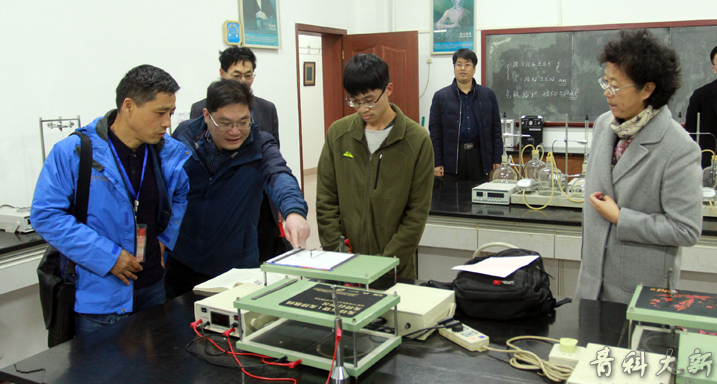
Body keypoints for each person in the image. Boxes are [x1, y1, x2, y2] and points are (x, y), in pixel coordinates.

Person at [30, 65, 190, 336]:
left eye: (171, 114)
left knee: (159, 363)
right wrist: (109, 257)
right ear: (128, 106)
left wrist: (164, 240)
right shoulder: (76, 152)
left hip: (153, 286)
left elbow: (180, 194)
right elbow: (46, 215)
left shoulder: (166, 152)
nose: (167, 123)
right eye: (160, 112)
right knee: (103, 364)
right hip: (101, 296)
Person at [575, 29, 703, 304]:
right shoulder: (604, 124)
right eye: (605, 82)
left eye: (616, 86)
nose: (607, 93)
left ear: (647, 89)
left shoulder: (678, 147)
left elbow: (686, 229)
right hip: (591, 285)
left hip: (639, 292)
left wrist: (621, 218)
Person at [165, 79, 309, 298]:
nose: (235, 131)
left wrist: (294, 212)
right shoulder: (185, 136)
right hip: (181, 261)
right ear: (207, 115)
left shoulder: (260, 145)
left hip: (235, 268)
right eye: (225, 123)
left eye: (243, 122)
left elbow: (279, 175)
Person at [316, 53, 435, 279]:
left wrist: (384, 265)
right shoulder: (338, 134)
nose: (363, 109)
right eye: (355, 101)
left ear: (388, 89)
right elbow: (326, 200)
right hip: (344, 268)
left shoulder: (416, 140)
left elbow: (416, 213)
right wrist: (339, 255)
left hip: (394, 271)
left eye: (369, 100)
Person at [191, 47, 285, 262]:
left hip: (260, 199)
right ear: (222, 74)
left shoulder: (266, 108)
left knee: (264, 256)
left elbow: (273, 156)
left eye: (248, 75)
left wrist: (279, 201)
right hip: (225, 202)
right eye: (236, 75)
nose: (243, 82)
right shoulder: (201, 109)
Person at [429, 48, 502, 185]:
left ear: (474, 68)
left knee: (478, 195)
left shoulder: (488, 95)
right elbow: (435, 133)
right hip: (452, 158)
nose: (463, 68)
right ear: (454, 68)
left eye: (467, 64)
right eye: (459, 64)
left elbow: (496, 129)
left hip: (479, 157)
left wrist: (497, 158)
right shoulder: (441, 97)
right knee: (451, 196)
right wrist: (436, 162)